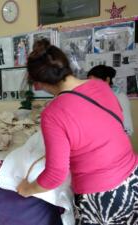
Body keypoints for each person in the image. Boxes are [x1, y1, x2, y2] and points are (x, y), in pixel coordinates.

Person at [17, 39, 138, 225]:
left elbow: (55, 174)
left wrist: (27, 188)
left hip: (100, 196)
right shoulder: (101, 87)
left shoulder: (53, 112)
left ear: (40, 83)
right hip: (133, 176)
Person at [87, 65, 134, 136]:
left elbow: (128, 129)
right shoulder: (93, 97)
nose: (91, 86)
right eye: (89, 83)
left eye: (95, 82)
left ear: (107, 80)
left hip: (114, 143)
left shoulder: (120, 97)